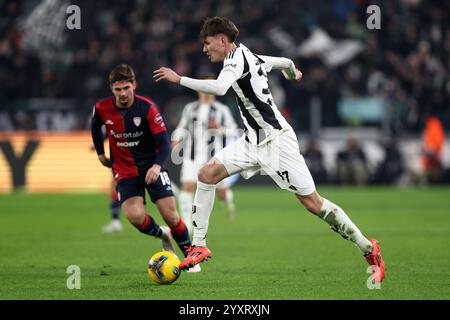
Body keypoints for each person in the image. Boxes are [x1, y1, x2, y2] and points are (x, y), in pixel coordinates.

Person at [153, 17, 385, 282]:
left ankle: (368, 248)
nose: (205, 50)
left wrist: (179, 78)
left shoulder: (235, 60)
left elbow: (219, 87)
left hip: (276, 142)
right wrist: (291, 72)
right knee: (206, 175)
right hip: (252, 141)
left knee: (314, 204)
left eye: (207, 44)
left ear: (222, 40)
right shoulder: (249, 54)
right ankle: (199, 245)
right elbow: (284, 61)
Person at [91, 64, 199, 272]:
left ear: (134, 85)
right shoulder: (102, 108)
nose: (122, 94)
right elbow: (95, 127)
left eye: (126, 88)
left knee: (171, 215)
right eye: (118, 89)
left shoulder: (147, 108)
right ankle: (163, 234)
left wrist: (157, 166)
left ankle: (190, 255)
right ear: (111, 89)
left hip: (152, 167)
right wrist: (100, 153)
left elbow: (165, 142)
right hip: (125, 171)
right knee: (134, 216)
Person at [172, 81, 239, 231]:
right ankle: (187, 225)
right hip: (192, 155)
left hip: (214, 156)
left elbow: (234, 131)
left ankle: (228, 204)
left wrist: (219, 128)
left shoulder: (222, 110)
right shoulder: (190, 108)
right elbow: (182, 126)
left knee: (221, 192)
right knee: (188, 186)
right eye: (203, 88)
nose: (206, 92)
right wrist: (176, 139)